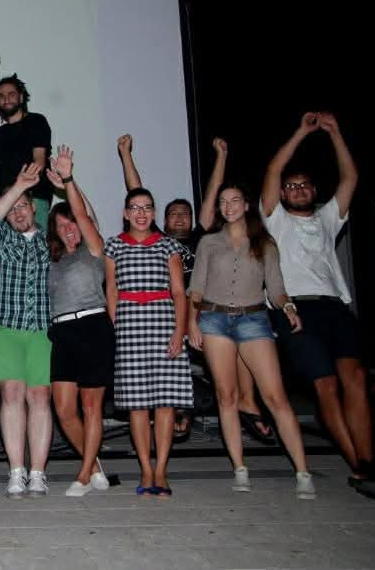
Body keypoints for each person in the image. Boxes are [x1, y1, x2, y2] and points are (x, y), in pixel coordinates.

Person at [261, 112, 375, 500]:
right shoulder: (275, 221)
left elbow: (350, 178)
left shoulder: (327, 219)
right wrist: (301, 132)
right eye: (291, 187)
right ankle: (361, 467)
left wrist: (335, 134)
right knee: (326, 386)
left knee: (356, 378)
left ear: (313, 190)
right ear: (282, 194)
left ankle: (367, 458)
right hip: (294, 310)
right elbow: (273, 171)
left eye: (304, 185)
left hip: (335, 307)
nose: (298, 189)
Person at [117, 134, 252, 441]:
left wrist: (221, 156)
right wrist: (125, 154)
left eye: (185, 213)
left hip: (202, 311)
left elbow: (212, 196)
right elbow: (136, 193)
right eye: (173, 213)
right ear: (162, 220)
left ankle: (241, 404)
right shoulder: (159, 242)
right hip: (164, 314)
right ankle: (178, 410)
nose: (179, 217)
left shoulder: (200, 239)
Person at [188, 182, 316, 499]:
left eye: (234, 200)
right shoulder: (208, 242)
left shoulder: (264, 242)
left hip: (253, 320)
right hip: (214, 319)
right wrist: (192, 323)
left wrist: (288, 307)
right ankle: (240, 469)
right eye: (223, 201)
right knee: (226, 396)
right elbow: (197, 289)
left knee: (275, 397)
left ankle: (303, 472)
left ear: (246, 205)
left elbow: (276, 288)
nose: (228, 206)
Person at [104, 187, 191, 497]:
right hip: (130, 327)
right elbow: (111, 290)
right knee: (137, 405)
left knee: (165, 403)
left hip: (164, 324)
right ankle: (145, 468)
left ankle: (162, 469)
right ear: (126, 213)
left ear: (153, 213)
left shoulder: (168, 245)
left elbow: (179, 292)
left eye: (147, 208)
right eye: (135, 207)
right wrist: (117, 326)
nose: (141, 213)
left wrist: (179, 332)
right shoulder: (114, 245)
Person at [42, 147, 113, 497]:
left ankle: (84, 475)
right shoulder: (53, 261)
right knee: (64, 409)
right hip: (62, 332)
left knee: (90, 406)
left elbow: (86, 215)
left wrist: (69, 179)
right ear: (55, 231)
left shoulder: (94, 250)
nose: (69, 228)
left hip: (93, 328)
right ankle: (95, 465)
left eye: (72, 222)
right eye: (61, 225)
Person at [0, 163, 53, 498]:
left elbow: (88, 227)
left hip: (42, 329)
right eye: (13, 207)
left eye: (24, 205)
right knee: (11, 394)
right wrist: (18, 186)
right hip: (5, 327)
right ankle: (16, 471)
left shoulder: (51, 242)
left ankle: (37, 473)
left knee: (40, 396)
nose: (19, 212)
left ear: (35, 209)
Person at [0, 73, 52, 228]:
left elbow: (39, 162)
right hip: (7, 203)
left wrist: (20, 190)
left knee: (34, 244)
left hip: (33, 199)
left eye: (11, 94)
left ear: (21, 98)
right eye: (1, 96)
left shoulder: (36, 121)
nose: (6, 99)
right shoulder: (0, 134)